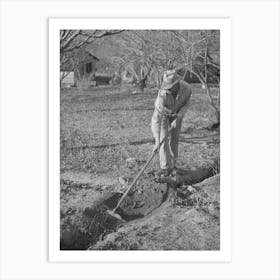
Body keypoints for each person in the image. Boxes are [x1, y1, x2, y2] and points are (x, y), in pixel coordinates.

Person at [151, 69, 192, 177]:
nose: (168, 88)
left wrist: (178, 117)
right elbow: (156, 120)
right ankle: (165, 168)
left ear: (176, 83)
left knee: (174, 139)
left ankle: (173, 166)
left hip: (178, 113)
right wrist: (156, 140)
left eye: (170, 86)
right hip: (165, 114)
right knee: (162, 139)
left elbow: (187, 104)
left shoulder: (187, 88)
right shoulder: (161, 97)